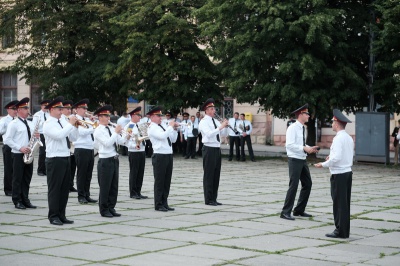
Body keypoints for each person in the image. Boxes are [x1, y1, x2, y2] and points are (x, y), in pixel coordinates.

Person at [315, 109, 354, 238]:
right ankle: (344, 230)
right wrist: (330, 157)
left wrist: (324, 164)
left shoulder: (338, 139)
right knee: (344, 203)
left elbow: (337, 158)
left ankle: (340, 231)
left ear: (337, 123)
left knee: (339, 204)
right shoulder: (348, 138)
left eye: (332, 122)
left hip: (339, 174)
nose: (331, 124)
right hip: (347, 172)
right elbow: (343, 155)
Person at [43, 96, 79, 225]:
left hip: (65, 157)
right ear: (52, 109)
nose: (62, 111)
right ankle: (53, 216)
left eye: (62, 109)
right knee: (55, 189)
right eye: (59, 109)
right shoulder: (48, 124)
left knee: (64, 189)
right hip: (54, 159)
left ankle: (62, 214)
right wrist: (70, 124)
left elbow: (73, 137)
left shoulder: (63, 121)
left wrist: (75, 126)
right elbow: (59, 135)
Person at [280, 104, 319, 221]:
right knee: (294, 185)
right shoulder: (292, 128)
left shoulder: (303, 128)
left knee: (308, 184)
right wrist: (304, 148)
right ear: (300, 115)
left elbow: (300, 143)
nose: (308, 116)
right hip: (294, 159)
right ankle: (285, 212)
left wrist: (309, 148)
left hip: (302, 159)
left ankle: (299, 210)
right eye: (306, 113)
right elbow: (290, 145)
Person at [4, 97, 38, 209]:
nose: (28, 110)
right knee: (17, 178)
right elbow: (7, 139)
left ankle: (25, 199)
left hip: (29, 153)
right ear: (19, 110)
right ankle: (17, 200)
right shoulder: (13, 124)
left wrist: (37, 138)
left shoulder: (30, 123)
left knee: (27, 178)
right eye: (25, 108)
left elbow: (33, 138)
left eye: (27, 108)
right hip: (18, 154)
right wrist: (20, 148)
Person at [93, 105, 125, 218]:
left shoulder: (111, 128)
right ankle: (104, 209)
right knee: (105, 186)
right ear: (100, 117)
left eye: (108, 116)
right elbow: (107, 143)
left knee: (113, 186)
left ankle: (111, 207)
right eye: (106, 116)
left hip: (114, 159)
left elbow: (119, 141)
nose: (108, 118)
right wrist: (116, 132)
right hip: (105, 160)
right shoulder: (97, 131)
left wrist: (128, 136)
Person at [147, 106, 178, 212]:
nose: (161, 117)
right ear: (152, 117)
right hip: (159, 155)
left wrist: (174, 129)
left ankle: (165, 202)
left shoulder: (163, 126)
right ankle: (158, 204)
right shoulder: (152, 127)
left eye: (161, 115)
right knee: (159, 181)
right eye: (158, 116)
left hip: (168, 154)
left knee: (167, 181)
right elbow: (162, 136)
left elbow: (173, 140)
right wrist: (170, 127)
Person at [198, 98, 228, 206]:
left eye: (213, 108)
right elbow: (209, 134)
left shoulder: (215, 121)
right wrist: (221, 127)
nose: (213, 110)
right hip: (209, 148)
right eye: (211, 108)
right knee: (209, 175)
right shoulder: (203, 122)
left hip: (216, 148)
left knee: (216, 174)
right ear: (206, 110)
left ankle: (214, 198)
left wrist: (225, 125)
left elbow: (221, 132)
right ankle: (208, 199)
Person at [72, 99, 97, 204]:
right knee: (82, 174)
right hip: (81, 148)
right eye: (83, 108)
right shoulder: (75, 119)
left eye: (86, 108)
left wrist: (93, 122)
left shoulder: (86, 119)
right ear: (77, 109)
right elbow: (81, 132)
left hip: (90, 148)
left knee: (88, 174)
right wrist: (94, 127)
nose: (85, 110)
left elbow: (94, 128)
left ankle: (87, 194)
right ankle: (81, 195)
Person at [125, 106, 148, 200]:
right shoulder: (130, 126)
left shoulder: (139, 125)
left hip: (142, 150)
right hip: (134, 151)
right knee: (134, 172)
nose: (140, 117)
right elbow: (126, 141)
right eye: (138, 115)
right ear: (133, 115)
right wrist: (134, 146)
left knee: (140, 172)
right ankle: (133, 192)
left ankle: (138, 191)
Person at [0, 100, 18, 196]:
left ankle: (15, 187)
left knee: (16, 168)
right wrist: (9, 128)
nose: (15, 111)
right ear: (8, 110)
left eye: (16, 109)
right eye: (13, 109)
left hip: (16, 146)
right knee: (8, 168)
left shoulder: (17, 120)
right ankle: (8, 189)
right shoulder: (4, 120)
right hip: (8, 146)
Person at [61, 100, 78, 193]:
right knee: (66, 169)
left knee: (72, 167)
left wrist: (76, 126)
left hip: (71, 146)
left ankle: (70, 184)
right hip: (65, 147)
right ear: (62, 109)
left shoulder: (69, 119)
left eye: (70, 109)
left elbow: (74, 136)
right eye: (67, 109)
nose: (69, 111)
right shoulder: (63, 120)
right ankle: (66, 185)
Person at [32, 99, 50, 176]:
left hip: (48, 134)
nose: (46, 107)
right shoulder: (37, 114)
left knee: (48, 152)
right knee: (42, 153)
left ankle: (46, 169)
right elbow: (34, 126)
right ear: (41, 106)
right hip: (41, 134)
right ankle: (40, 170)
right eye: (44, 106)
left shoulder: (49, 114)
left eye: (47, 106)